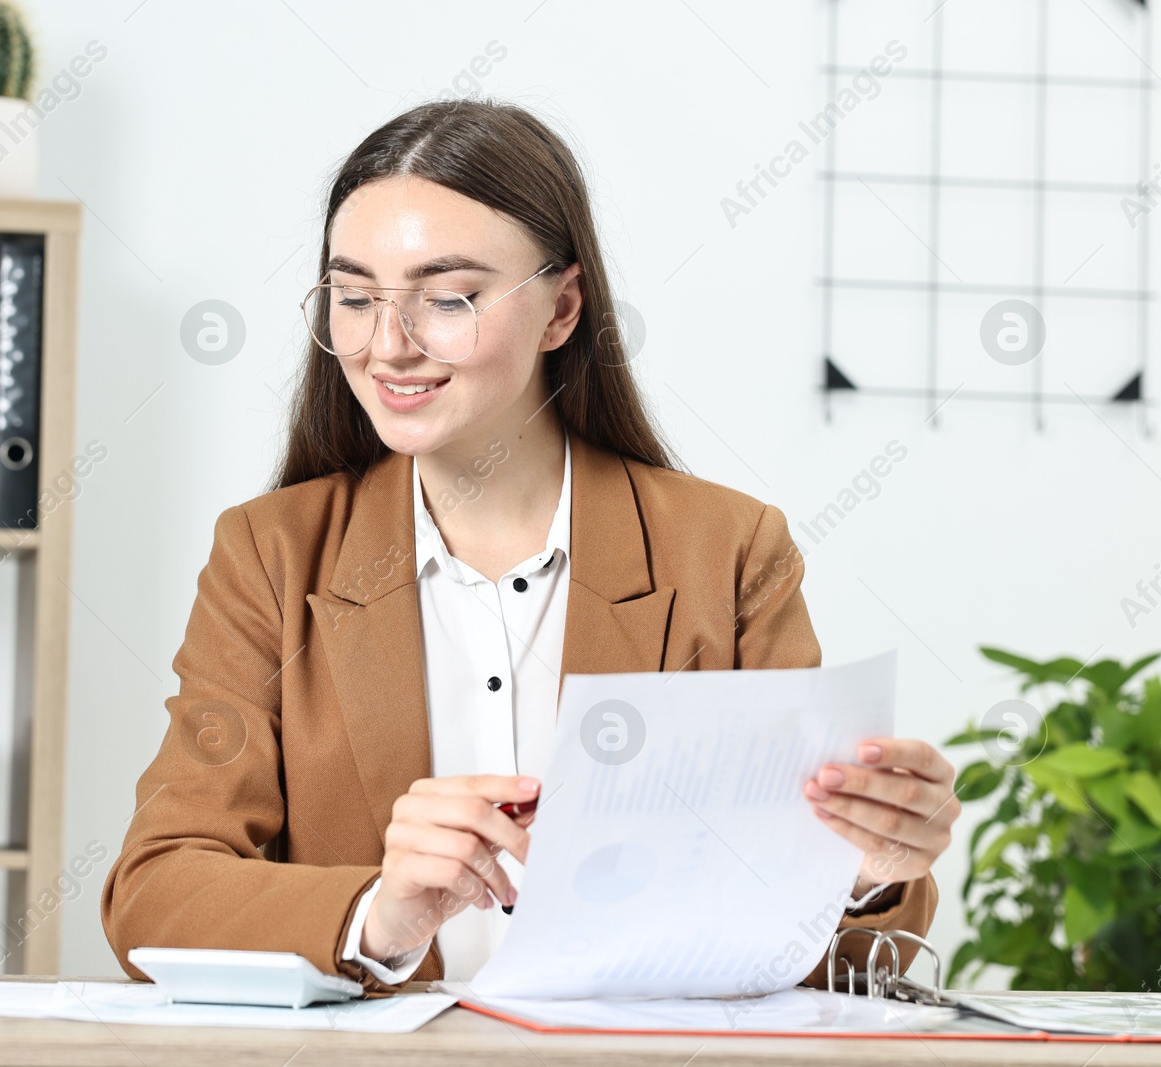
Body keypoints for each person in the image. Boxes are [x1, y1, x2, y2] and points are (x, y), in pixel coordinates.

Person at [100, 98, 960, 991]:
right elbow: (153, 893)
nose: (387, 346)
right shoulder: (270, 557)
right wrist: (377, 914)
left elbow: (823, 963)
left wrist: (863, 872)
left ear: (562, 309)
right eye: (354, 297)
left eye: (449, 298)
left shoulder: (729, 552)